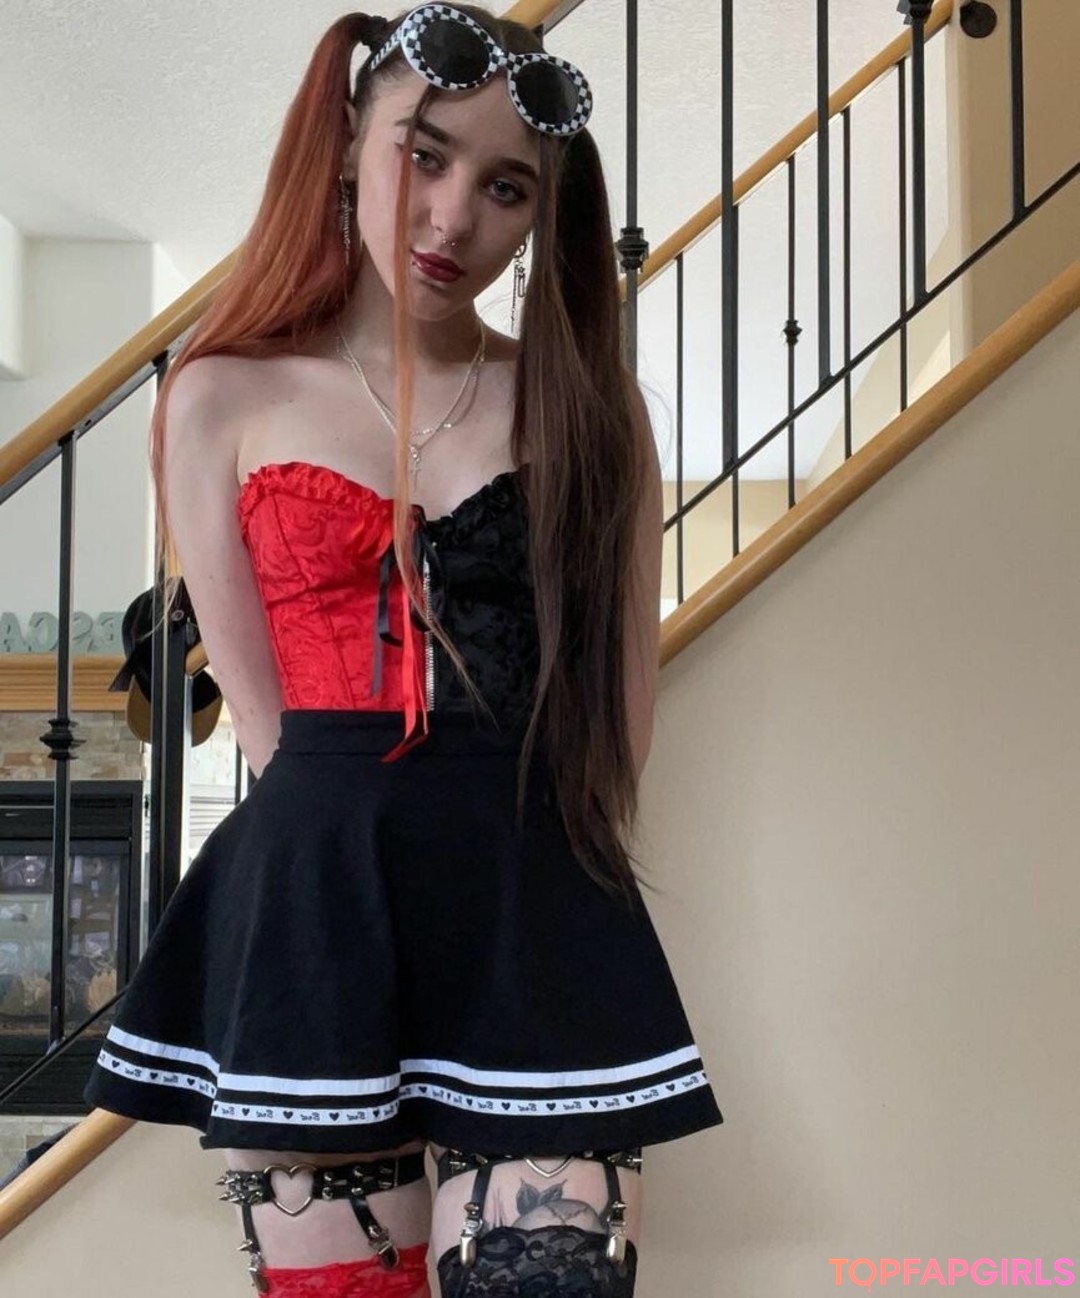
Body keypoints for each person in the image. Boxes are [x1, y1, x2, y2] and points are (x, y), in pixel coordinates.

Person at [84, 6, 723, 1295]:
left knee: (554, 1279)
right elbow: (265, 725)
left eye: (505, 188)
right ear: (345, 145)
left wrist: (556, 869)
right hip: (318, 900)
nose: (452, 217)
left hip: (532, 888)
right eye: (422, 156)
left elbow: (618, 711)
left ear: (539, 217)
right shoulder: (218, 393)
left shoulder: (588, 410)